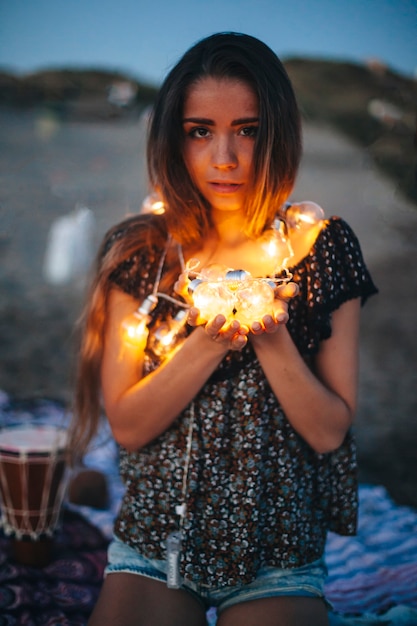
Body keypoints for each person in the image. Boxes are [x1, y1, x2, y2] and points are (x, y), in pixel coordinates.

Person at [70, 32, 378, 626]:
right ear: (173, 138)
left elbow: (328, 433)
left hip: (278, 547)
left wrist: (270, 334)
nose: (225, 158)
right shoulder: (142, 253)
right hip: (156, 540)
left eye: (249, 128)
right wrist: (210, 340)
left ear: (278, 133)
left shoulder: (322, 249)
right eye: (200, 131)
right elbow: (128, 427)